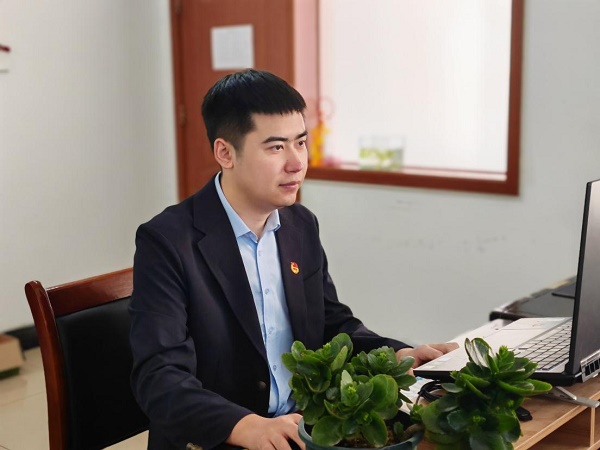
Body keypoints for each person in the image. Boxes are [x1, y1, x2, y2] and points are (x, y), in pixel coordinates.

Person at [129, 69, 457, 450]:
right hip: (220, 439)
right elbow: (160, 377)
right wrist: (245, 426)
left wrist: (397, 354)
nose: (297, 162)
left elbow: (331, 325)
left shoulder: (300, 225)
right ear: (225, 153)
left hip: (302, 430)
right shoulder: (167, 241)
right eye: (276, 148)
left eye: (301, 142)